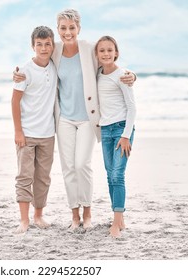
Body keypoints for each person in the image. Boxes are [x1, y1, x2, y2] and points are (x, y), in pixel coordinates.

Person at [14, 9, 136, 230]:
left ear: (79, 28)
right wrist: (18, 73)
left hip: (88, 119)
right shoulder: (55, 50)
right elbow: (36, 60)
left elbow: (111, 65)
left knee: (82, 164)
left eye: (72, 27)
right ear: (58, 30)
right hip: (64, 119)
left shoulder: (89, 49)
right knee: (68, 167)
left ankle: (87, 213)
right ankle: (74, 216)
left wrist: (132, 75)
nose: (67, 32)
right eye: (63, 28)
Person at [11, 26, 57, 234]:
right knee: (25, 176)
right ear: (33, 46)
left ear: (53, 45)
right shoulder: (25, 72)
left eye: (48, 44)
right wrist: (18, 131)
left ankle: (38, 215)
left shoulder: (56, 66)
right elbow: (15, 101)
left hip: (48, 133)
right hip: (27, 134)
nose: (44, 48)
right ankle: (24, 220)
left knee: (43, 177)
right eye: (39, 44)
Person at [95, 35, 136, 238]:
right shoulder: (97, 74)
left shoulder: (122, 75)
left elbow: (132, 107)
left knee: (118, 175)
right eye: (102, 50)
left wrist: (126, 135)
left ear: (116, 52)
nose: (106, 53)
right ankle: (119, 218)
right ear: (97, 54)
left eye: (110, 50)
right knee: (110, 176)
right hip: (105, 130)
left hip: (121, 131)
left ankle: (116, 221)